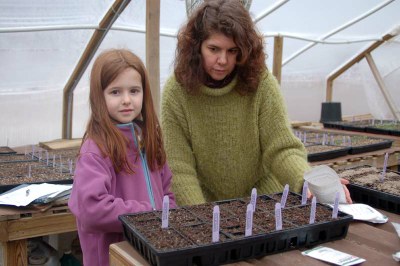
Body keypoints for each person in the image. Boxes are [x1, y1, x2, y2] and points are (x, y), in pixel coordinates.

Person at [161, 0, 351, 206]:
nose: (223, 60)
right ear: (196, 47)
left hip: (264, 197)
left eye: (232, 51)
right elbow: (179, 166)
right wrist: (202, 219)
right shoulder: (177, 91)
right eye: (214, 49)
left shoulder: (260, 82)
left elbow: (281, 148)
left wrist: (309, 181)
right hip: (206, 202)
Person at [68, 49, 176, 266]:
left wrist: (166, 215)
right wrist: (148, 213)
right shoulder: (95, 150)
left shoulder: (149, 140)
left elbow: (167, 193)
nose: (127, 100)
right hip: (113, 259)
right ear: (99, 96)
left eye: (134, 91)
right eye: (115, 92)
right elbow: (92, 209)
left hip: (151, 254)